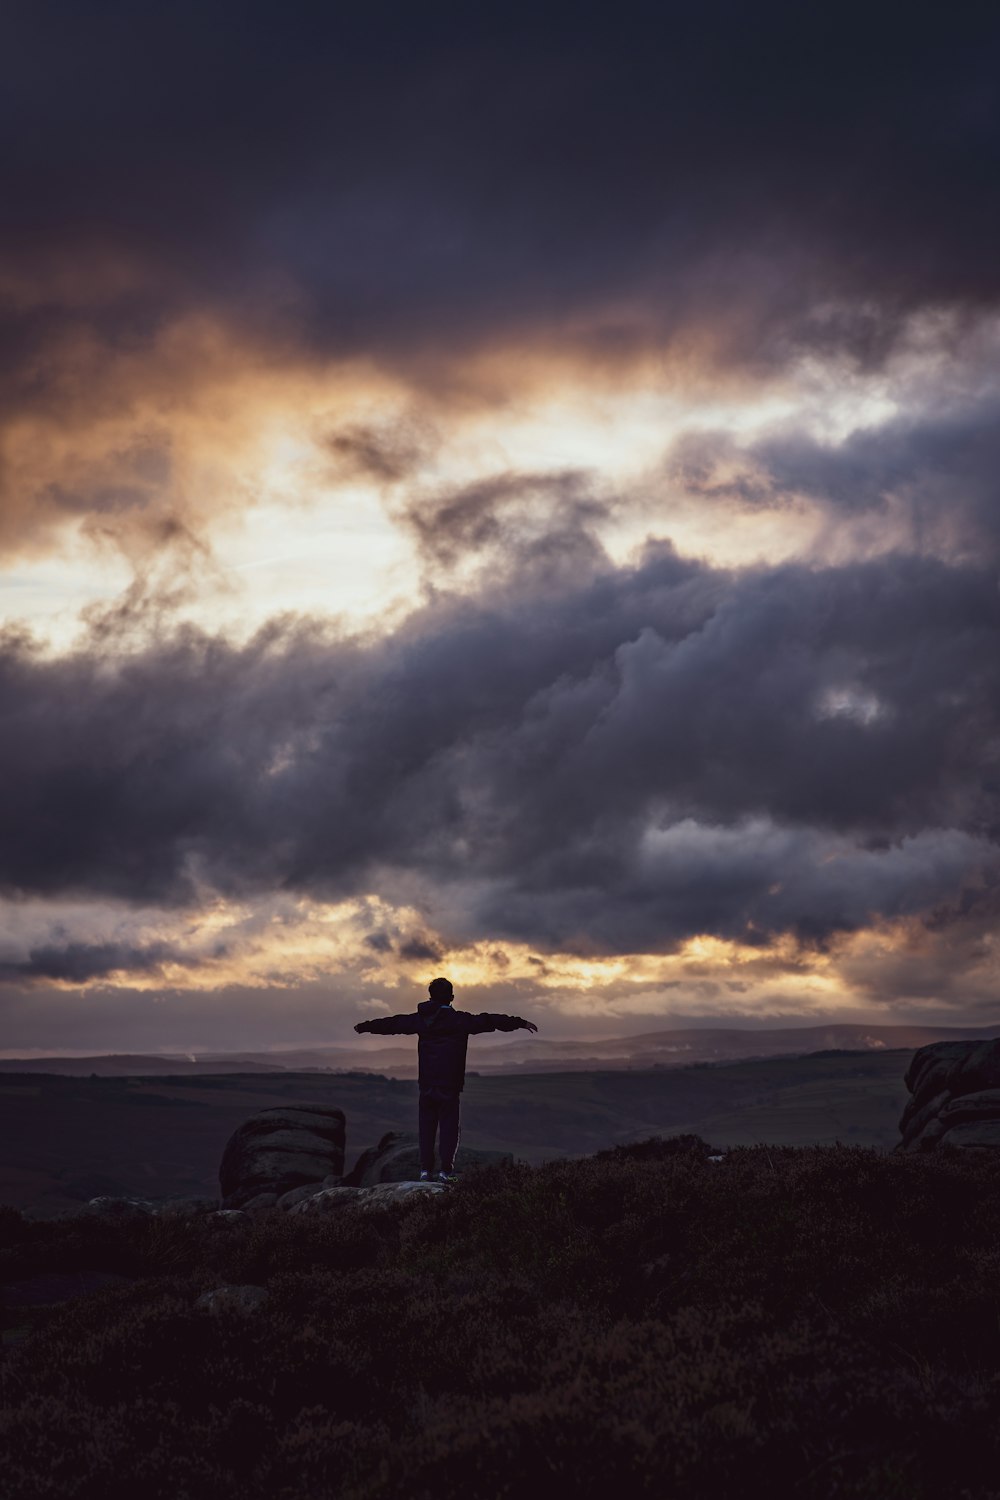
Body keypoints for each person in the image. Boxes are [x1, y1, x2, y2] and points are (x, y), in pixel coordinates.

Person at [354, 977, 538, 1182]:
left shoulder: (421, 1020)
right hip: (450, 1085)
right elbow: (489, 1020)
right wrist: (519, 1022)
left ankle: (425, 1171)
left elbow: (394, 1023)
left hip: (427, 1084)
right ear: (451, 997)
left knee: (426, 1128)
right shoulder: (461, 1020)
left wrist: (366, 1026)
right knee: (449, 1128)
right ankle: (445, 1172)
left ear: (430, 996)